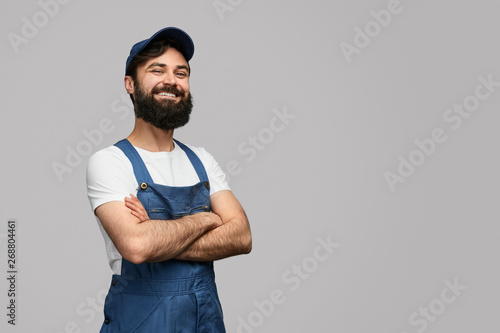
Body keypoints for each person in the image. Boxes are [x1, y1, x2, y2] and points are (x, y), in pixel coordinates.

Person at [86, 27, 252, 332]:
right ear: (130, 84)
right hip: (140, 322)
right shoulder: (109, 162)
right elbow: (136, 247)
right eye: (157, 70)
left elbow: (241, 237)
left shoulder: (202, 159)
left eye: (181, 73)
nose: (171, 81)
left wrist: (156, 232)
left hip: (206, 321)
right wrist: (207, 220)